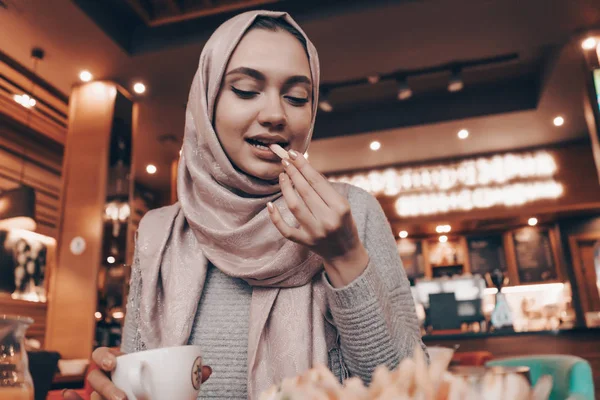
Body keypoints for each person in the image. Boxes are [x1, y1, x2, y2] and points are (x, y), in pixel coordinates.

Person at [64, 10, 425, 400]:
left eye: (297, 97)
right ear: (207, 102)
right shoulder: (159, 232)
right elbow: (142, 376)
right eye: (245, 90)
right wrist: (119, 386)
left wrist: (344, 256)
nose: (274, 115)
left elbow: (412, 389)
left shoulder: (350, 213)